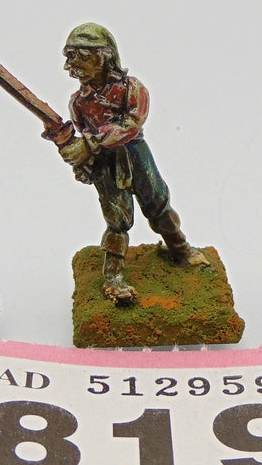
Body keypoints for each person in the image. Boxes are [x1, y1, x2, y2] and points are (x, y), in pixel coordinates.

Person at [54, 23, 207, 304]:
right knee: (117, 218)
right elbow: (81, 136)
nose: (69, 67)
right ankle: (113, 276)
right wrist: (77, 156)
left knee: (157, 201)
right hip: (106, 163)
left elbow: (132, 123)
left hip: (135, 153)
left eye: (77, 57)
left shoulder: (131, 89)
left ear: (102, 56)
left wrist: (89, 143)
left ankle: (179, 247)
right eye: (69, 58)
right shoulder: (78, 102)